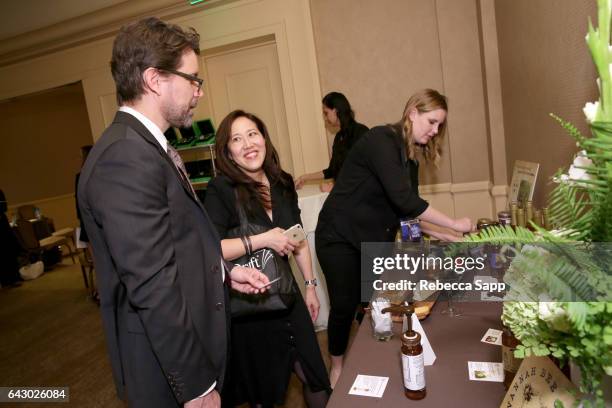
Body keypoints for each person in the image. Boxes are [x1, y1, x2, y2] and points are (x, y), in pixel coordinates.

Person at [77, 18, 269, 408]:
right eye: (193, 79)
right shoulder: (125, 156)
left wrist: (225, 272)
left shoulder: (146, 146)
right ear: (155, 79)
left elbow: (177, 244)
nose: (199, 92)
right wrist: (197, 387)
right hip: (166, 369)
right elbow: (152, 284)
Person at [315, 89, 474, 387]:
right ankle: (336, 365)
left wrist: (446, 235)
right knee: (345, 303)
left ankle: (368, 362)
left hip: (370, 238)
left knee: (375, 304)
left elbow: (409, 215)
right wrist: (453, 222)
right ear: (412, 112)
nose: (435, 130)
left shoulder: (410, 159)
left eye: (440, 125)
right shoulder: (381, 140)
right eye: (431, 121)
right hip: (339, 235)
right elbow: (405, 201)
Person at [204, 110, 331, 407]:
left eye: (252, 134)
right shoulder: (221, 190)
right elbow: (211, 248)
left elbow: (297, 239)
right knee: (266, 392)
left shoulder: (282, 182)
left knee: (315, 376)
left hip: (289, 297)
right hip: (251, 305)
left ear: (264, 139)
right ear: (228, 152)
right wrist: (264, 239)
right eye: (237, 139)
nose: (248, 143)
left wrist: (311, 285)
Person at [295, 92, 369, 192]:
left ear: (335, 111)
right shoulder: (339, 137)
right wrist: (305, 177)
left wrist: (335, 187)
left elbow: (364, 171)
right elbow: (332, 171)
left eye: (326, 113)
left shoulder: (361, 132)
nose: (325, 118)